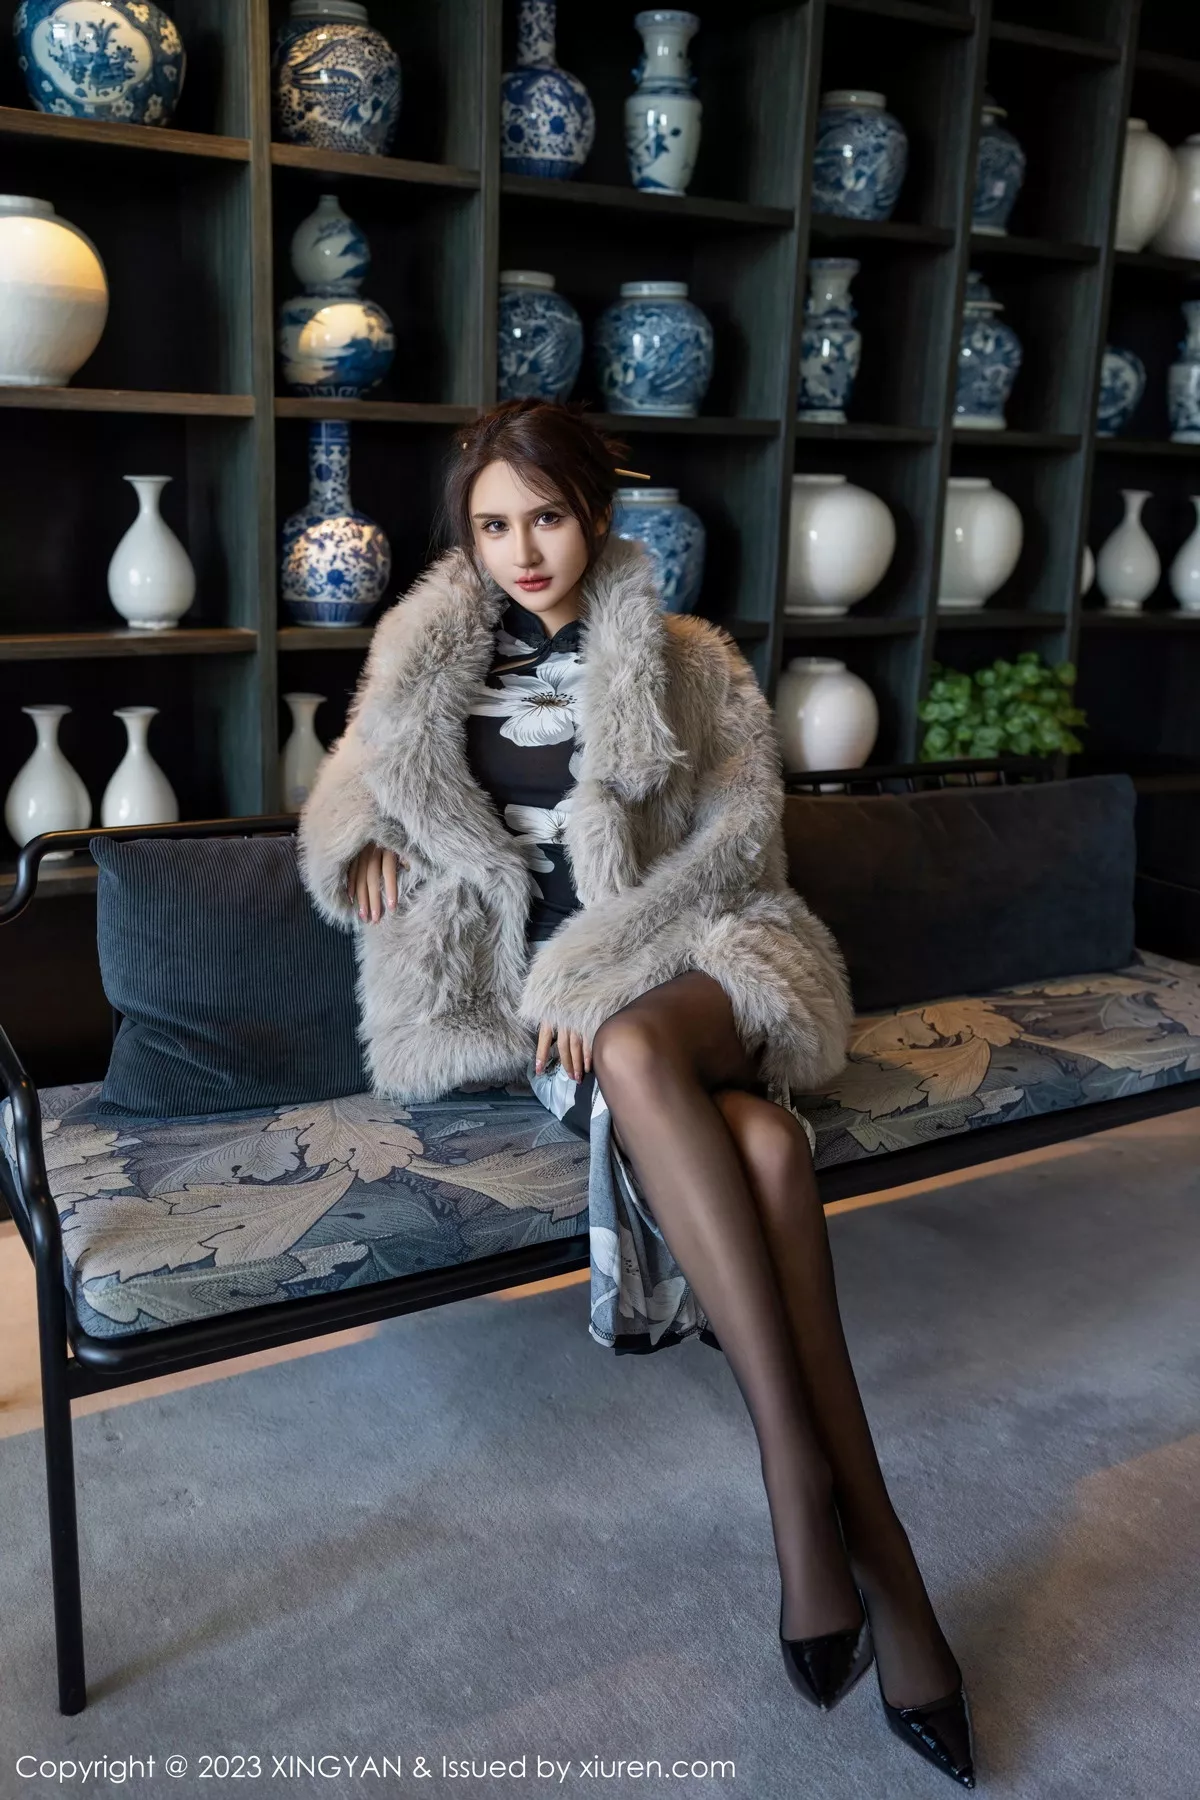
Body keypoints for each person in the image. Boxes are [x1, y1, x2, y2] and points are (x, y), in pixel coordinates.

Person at [297, 399, 975, 1789]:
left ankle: (800, 1499)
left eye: (545, 516)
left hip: (707, 961)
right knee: (765, 1154)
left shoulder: (687, 660)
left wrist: (606, 965)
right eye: (494, 525)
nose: (522, 549)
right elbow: (347, 782)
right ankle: (883, 1562)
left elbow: (741, 849)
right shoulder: (422, 667)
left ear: (594, 514)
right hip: (549, 1024)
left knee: (640, 1047)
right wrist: (352, 834)